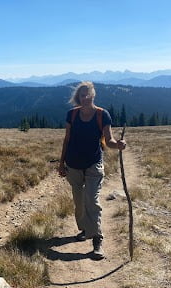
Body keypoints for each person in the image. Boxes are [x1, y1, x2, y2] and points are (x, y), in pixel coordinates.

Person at [57, 81, 126, 260]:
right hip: (73, 165)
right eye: (82, 95)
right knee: (79, 202)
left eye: (88, 94)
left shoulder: (103, 115)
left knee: (91, 201)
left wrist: (117, 145)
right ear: (78, 97)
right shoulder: (71, 115)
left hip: (94, 164)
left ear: (93, 95)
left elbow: (109, 140)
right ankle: (85, 229)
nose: (86, 98)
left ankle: (97, 239)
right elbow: (67, 140)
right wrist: (61, 163)